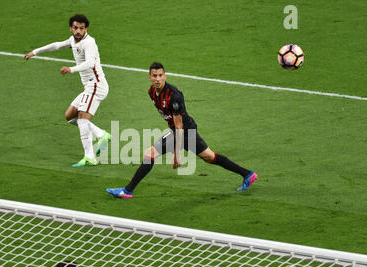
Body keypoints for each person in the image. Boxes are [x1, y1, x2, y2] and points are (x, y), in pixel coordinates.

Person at [106, 62, 257, 198]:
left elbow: (179, 126)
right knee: (210, 157)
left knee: (150, 153)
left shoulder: (174, 96)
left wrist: (177, 154)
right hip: (183, 130)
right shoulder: (151, 92)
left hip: (184, 131)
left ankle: (127, 191)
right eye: (154, 76)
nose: (158, 79)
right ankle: (247, 174)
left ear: (165, 76)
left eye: (160, 75)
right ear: (150, 77)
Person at [24, 14, 111, 167]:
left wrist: (71, 69)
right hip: (89, 87)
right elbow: (57, 45)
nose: (78, 31)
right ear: (71, 28)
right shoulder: (73, 40)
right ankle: (101, 134)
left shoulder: (89, 43)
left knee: (83, 118)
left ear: (86, 29)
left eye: (81, 28)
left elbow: (90, 63)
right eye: (76, 28)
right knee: (70, 116)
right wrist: (35, 52)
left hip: (96, 85)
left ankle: (89, 157)